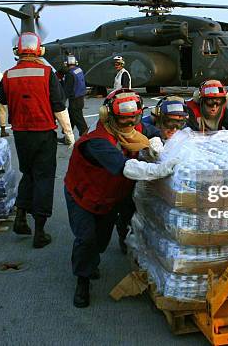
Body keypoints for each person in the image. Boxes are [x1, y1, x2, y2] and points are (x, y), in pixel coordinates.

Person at [63, 88, 177, 308]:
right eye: (124, 120)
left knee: (101, 241)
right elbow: (127, 168)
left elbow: (152, 130)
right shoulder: (98, 141)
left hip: (109, 197)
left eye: (133, 119)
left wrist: (155, 141)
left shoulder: (136, 128)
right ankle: (82, 281)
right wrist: (162, 169)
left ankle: (91, 260)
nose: (130, 125)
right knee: (86, 239)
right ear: (109, 116)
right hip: (83, 196)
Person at [0, 32, 74, 248]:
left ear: (17, 51)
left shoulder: (9, 74)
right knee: (44, 177)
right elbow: (58, 105)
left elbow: (0, 98)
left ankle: (21, 217)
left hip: (21, 134)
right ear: (40, 50)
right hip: (43, 132)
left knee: (28, 174)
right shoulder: (46, 72)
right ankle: (39, 230)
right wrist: (69, 134)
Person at [58, 55, 88, 144]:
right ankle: (67, 137)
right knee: (72, 117)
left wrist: (61, 101)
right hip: (80, 98)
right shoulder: (79, 70)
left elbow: (67, 90)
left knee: (78, 119)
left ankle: (86, 137)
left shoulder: (70, 75)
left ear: (66, 63)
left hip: (74, 100)